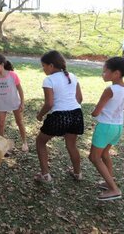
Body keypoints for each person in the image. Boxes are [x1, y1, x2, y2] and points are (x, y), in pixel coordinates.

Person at [89, 57, 124, 201]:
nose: (102, 74)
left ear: (116, 73)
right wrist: (119, 105)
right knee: (104, 154)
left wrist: (93, 112)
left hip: (105, 127)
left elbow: (96, 112)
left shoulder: (109, 89)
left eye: (104, 71)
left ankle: (114, 189)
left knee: (94, 157)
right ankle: (108, 181)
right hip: (118, 127)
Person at [34, 50, 84, 183]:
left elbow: (49, 104)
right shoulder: (72, 76)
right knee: (71, 145)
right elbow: (79, 98)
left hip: (59, 116)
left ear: (51, 66)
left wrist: (40, 115)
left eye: (43, 66)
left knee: (40, 142)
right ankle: (78, 173)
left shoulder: (48, 80)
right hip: (76, 114)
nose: (43, 69)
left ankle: (45, 175)